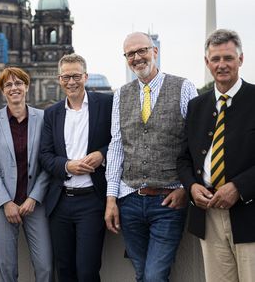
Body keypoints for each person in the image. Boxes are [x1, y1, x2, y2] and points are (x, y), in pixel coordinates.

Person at [105, 32, 197, 282]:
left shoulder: (183, 87)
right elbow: (116, 147)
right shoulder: (120, 95)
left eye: (142, 50)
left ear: (155, 51)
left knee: (154, 276)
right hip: (130, 200)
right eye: (130, 54)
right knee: (141, 274)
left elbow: (198, 143)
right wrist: (111, 199)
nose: (136, 58)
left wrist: (185, 188)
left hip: (168, 201)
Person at [177, 29, 255, 282]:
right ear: (207, 62)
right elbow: (184, 158)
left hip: (249, 215)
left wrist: (238, 187)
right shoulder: (197, 106)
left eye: (228, 58)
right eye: (216, 59)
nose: (222, 65)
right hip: (207, 216)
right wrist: (191, 187)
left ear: (240, 60)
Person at [39, 53, 113, 282]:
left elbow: (119, 141)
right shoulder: (51, 113)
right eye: (66, 77)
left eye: (76, 76)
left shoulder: (106, 103)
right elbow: (45, 155)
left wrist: (102, 154)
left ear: (86, 77)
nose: (71, 82)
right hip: (60, 201)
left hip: (92, 200)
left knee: (88, 270)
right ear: (59, 79)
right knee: (64, 269)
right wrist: (67, 165)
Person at [0, 67, 52, 282]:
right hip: (0, 204)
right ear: (3, 91)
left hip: (34, 203)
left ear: (26, 86)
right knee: (7, 268)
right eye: (8, 85)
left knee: (45, 267)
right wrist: (6, 202)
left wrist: (33, 198)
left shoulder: (44, 117)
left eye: (18, 83)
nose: (14, 88)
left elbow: (48, 161)